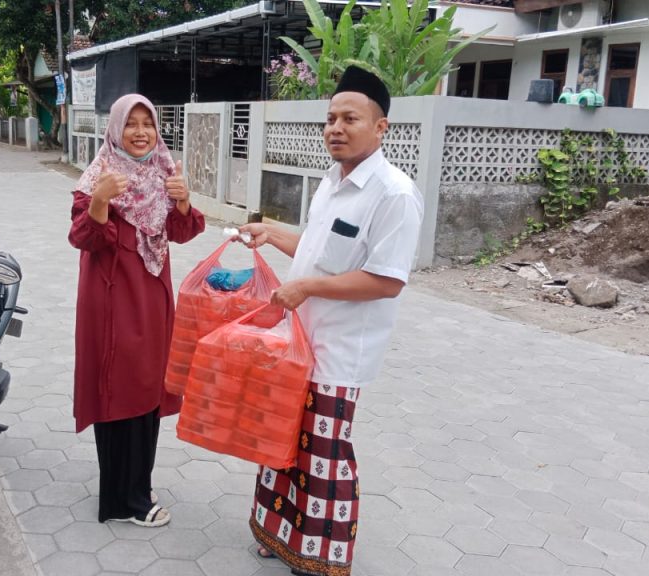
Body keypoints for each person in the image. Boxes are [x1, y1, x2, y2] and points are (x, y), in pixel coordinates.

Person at [239, 66, 424, 576]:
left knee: (323, 453)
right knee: (282, 439)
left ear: (380, 127)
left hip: (340, 350)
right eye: (331, 119)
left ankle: (321, 557)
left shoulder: (394, 194)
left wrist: (305, 288)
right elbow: (319, 252)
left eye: (350, 119)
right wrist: (272, 234)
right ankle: (278, 535)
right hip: (298, 339)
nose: (336, 129)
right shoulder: (331, 182)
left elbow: (386, 280)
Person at [69, 94, 205, 528]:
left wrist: (182, 201)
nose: (141, 132)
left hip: (153, 298)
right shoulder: (100, 176)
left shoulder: (162, 171)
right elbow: (83, 238)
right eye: (131, 123)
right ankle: (125, 500)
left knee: (147, 388)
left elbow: (180, 231)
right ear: (115, 129)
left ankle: (136, 485)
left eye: (148, 123)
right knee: (119, 388)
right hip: (114, 301)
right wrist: (100, 201)